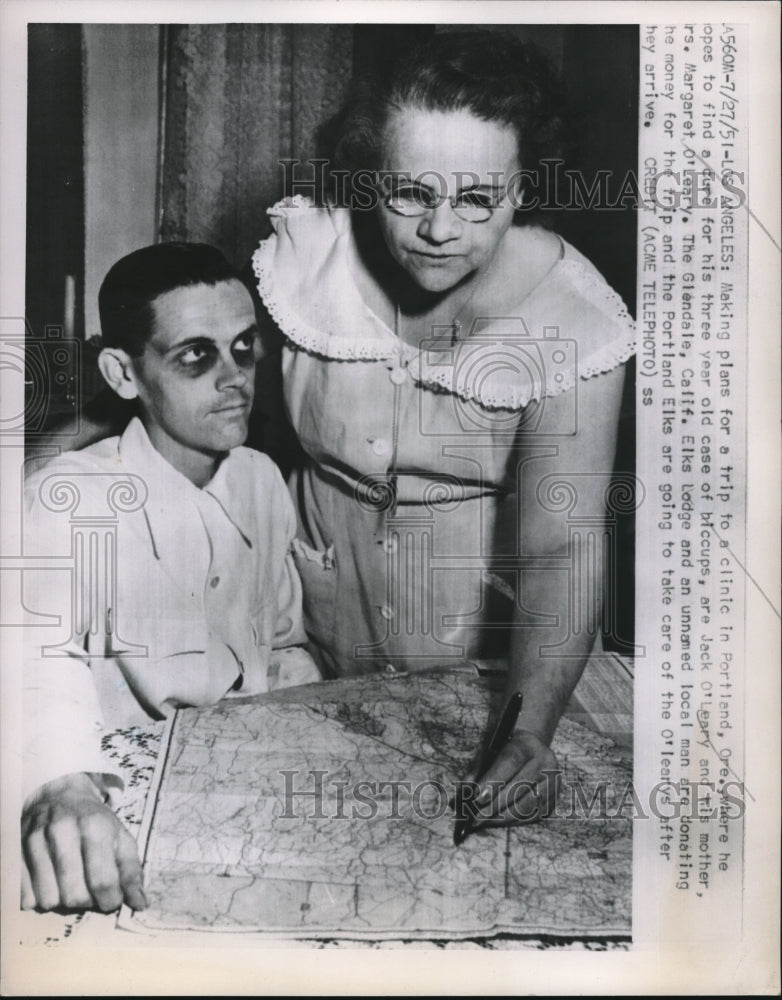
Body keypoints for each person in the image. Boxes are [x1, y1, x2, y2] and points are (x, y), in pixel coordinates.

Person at [251, 29, 635, 826]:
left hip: (486, 668)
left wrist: (527, 731)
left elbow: (562, 547)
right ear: (370, 175)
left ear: (524, 186)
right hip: (306, 637)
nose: (440, 229)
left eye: (477, 199)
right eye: (410, 193)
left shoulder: (578, 319)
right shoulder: (305, 259)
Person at [21, 243, 320, 913]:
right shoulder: (69, 500)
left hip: (247, 797)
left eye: (244, 348)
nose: (235, 378)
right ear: (123, 374)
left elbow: (284, 643)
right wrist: (61, 786)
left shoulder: (262, 481)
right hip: (118, 816)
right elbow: (30, 665)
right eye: (196, 356)